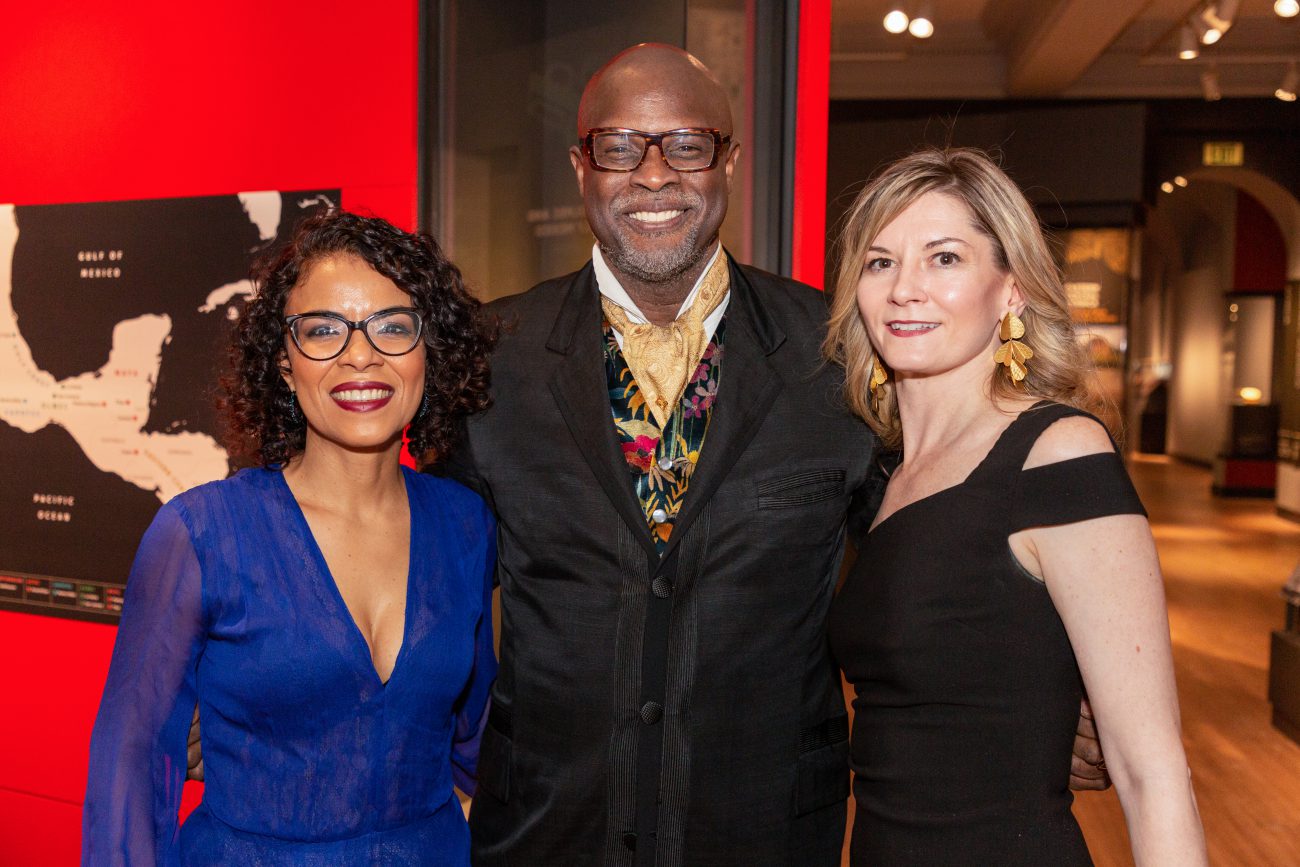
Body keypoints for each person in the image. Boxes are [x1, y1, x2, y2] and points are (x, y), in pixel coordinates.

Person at [439, 46, 1106, 866]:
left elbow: (937, 562)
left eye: (687, 144)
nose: (654, 175)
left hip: (769, 833)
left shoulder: (840, 356)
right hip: (543, 833)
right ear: (581, 166)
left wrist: (1059, 694)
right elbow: (426, 585)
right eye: (619, 146)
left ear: (731, 161)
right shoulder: (487, 360)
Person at [823, 148, 1207, 864]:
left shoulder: (1057, 453)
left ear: (1011, 291)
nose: (906, 288)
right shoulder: (885, 478)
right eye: (880, 262)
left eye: (944, 258)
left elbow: (1151, 773)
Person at [82, 211, 498, 865]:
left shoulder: (465, 523)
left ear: (428, 349)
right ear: (283, 361)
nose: (361, 355)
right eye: (323, 330)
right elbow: (129, 769)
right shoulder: (200, 533)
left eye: (392, 326)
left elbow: (474, 739)